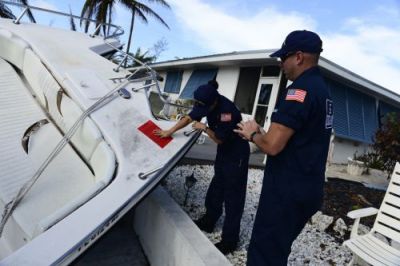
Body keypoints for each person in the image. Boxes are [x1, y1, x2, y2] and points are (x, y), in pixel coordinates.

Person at [234, 30, 333, 265]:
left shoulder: (298, 92)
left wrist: (253, 132)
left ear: (298, 57)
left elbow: (273, 146)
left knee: (264, 253)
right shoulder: (322, 90)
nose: (280, 63)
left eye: (283, 57)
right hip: (309, 187)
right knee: (278, 250)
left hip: (287, 190)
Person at [155, 81, 250, 254]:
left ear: (214, 102)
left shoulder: (227, 112)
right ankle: (209, 220)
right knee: (216, 187)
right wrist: (170, 131)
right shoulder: (206, 99)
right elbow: (190, 117)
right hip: (224, 152)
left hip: (237, 155)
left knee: (233, 197)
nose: (201, 110)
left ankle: (230, 241)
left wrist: (204, 128)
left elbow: (220, 139)